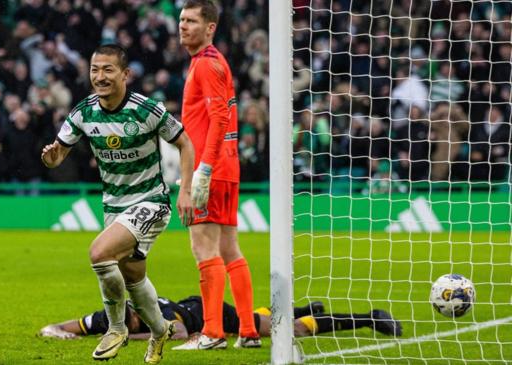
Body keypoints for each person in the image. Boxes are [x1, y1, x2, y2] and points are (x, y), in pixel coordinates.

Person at [41, 44, 196, 364]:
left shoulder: (146, 109)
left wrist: (186, 190)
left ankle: (116, 328)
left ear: (125, 74)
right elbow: (58, 154)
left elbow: (184, 142)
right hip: (114, 207)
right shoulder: (83, 112)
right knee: (133, 278)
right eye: (95, 70)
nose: (100, 76)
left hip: (151, 201)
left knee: (99, 253)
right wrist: (53, 159)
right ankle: (159, 330)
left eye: (108, 70)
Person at [175, 0, 260, 350]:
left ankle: (211, 332)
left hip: (210, 168)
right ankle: (249, 331)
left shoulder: (206, 65)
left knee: (202, 246)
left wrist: (202, 170)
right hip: (227, 166)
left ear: (210, 28)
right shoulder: (211, 62)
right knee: (229, 247)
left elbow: (220, 119)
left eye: (192, 21)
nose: (183, 26)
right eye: (181, 19)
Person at [39, 297, 403, 340]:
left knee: (287, 333)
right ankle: (304, 308)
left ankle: (369, 318)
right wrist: (55, 332)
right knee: (264, 322)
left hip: (212, 312)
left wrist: (123, 340)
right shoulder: (107, 316)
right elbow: (54, 327)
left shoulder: (154, 313)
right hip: (197, 307)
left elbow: (179, 333)